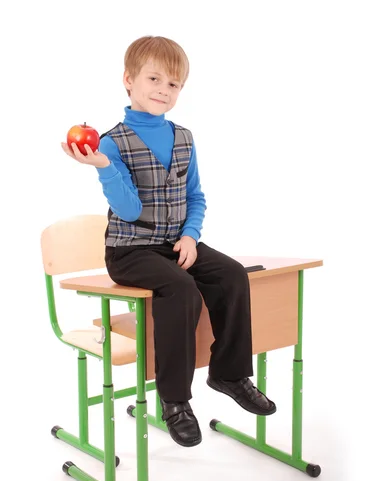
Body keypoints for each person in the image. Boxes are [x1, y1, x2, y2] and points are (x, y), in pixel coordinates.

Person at [61, 35, 276, 448]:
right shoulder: (111, 143)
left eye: (173, 84)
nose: (163, 89)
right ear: (129, 79)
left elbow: (195, 196)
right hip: (130, 250)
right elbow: (127, 211)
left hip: (176, 243)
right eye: (154, 78)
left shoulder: (184, 137)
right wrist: (104, 166)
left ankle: (229, 373)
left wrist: (192, 236)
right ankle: (174, 399)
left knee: (231, 275)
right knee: (181, 289)